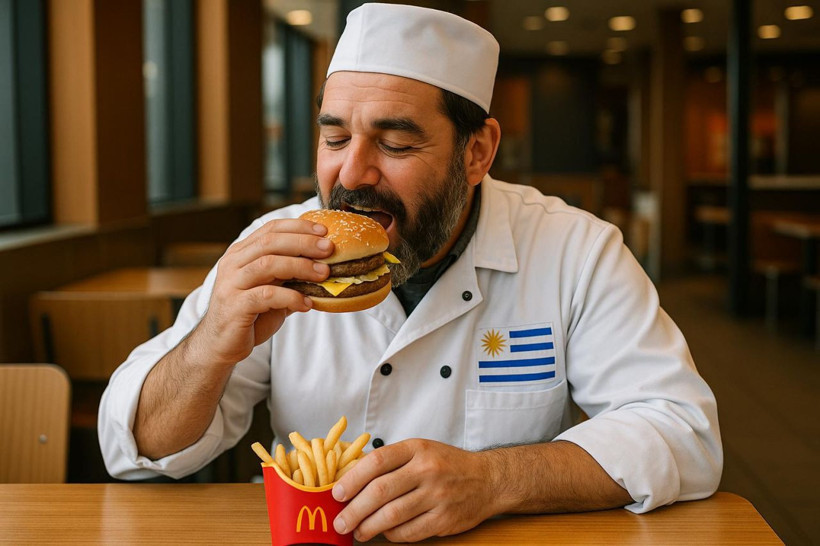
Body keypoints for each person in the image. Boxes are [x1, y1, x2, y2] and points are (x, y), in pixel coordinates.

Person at [99, 3, 722, 542]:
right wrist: (209, 345)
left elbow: (683, 431)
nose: (352, 174)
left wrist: (493, 480)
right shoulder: (272, 249)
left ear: (477, 152)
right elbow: (138, 451)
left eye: (394, 144)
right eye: (335, 138)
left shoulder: (573, 250)